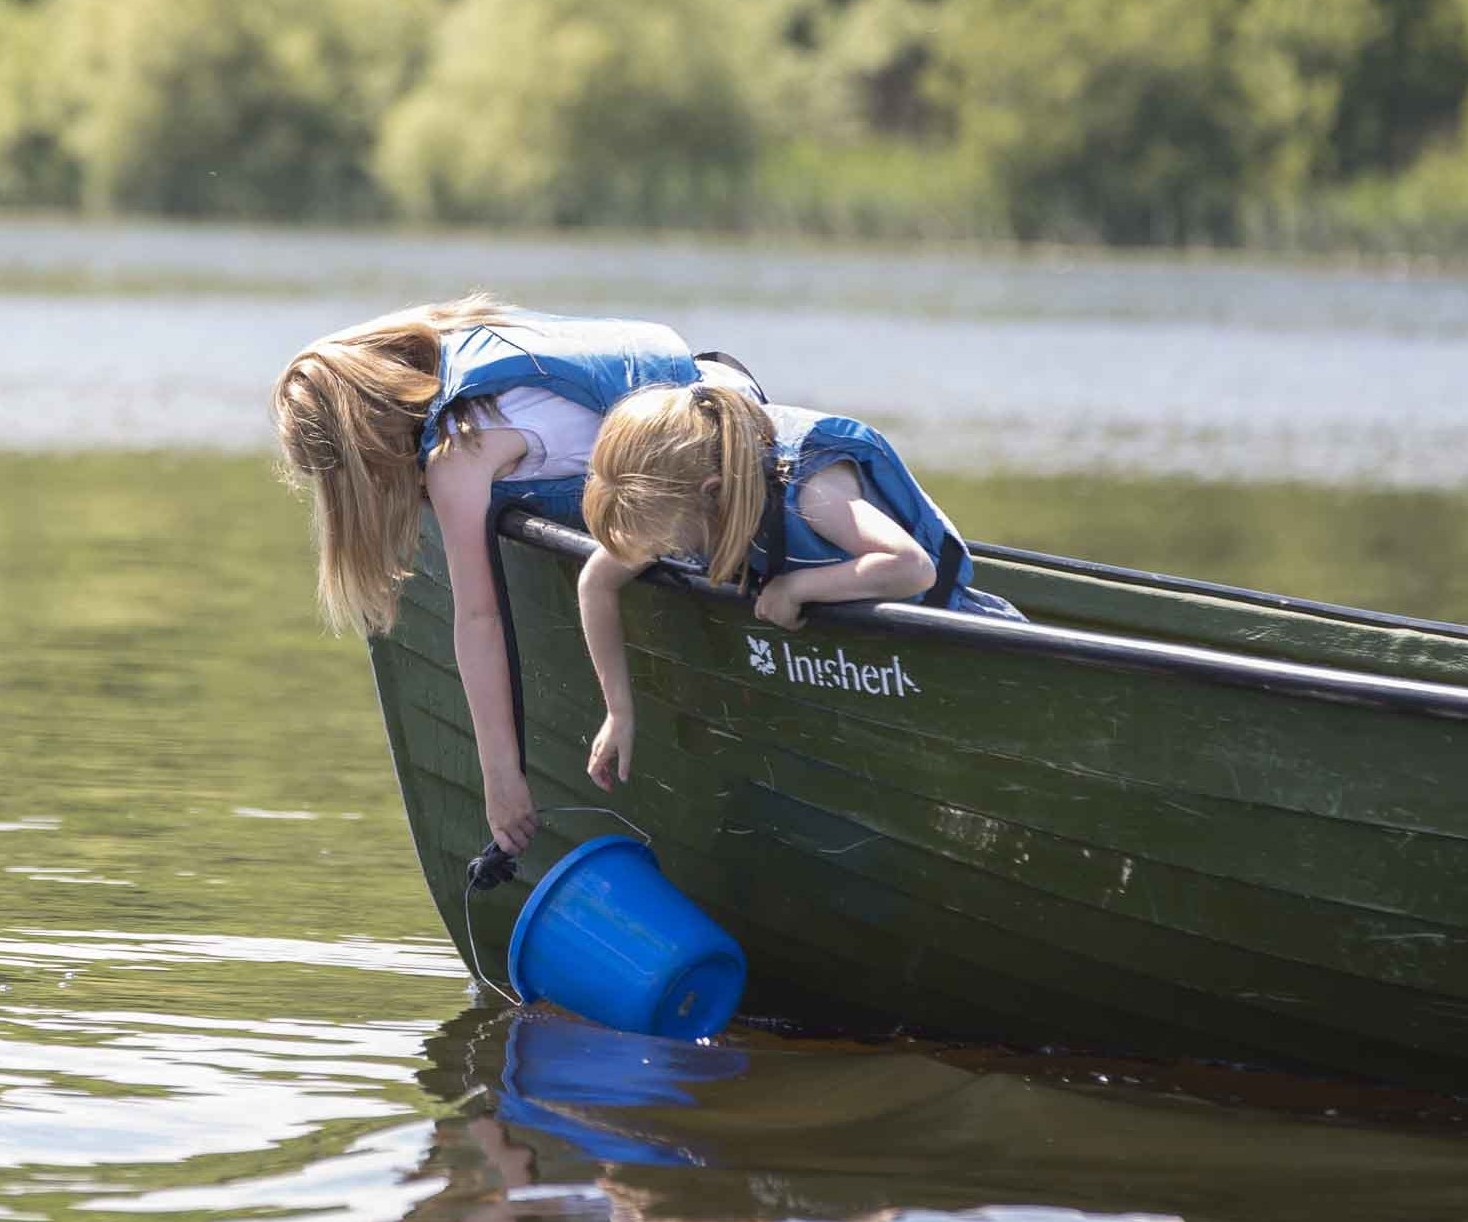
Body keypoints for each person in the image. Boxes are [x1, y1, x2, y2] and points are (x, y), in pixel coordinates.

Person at [271, 296, 756, 854]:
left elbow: (480, 618)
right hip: (729, 397)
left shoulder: (459, 455)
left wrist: (501, 778)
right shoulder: (465, 351)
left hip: (721, 460)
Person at [574, 382, 1019, 791]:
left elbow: (912, 568)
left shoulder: (813, 494)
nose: (666, 550)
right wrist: (619, 712)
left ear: (712, 493)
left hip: (952, 640)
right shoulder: (673, 499)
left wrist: (799, 587)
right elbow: (596, 582)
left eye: (672, 541)